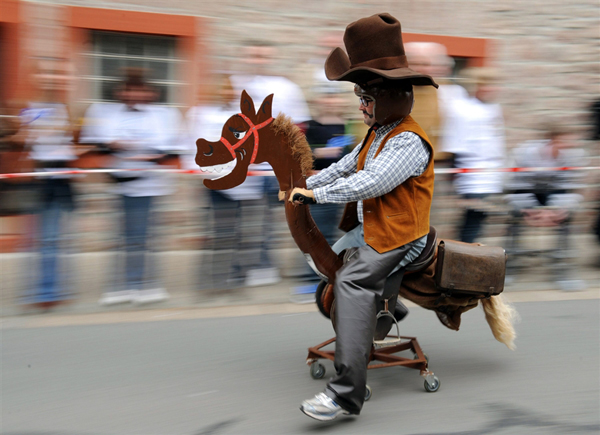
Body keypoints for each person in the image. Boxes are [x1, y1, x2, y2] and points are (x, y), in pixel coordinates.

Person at [288, 13, 438, 420]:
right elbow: (345, 167)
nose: (361, 105)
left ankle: (344, 395)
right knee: (324, 265)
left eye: (367, 99)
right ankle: (388, 309)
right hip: (374, 231)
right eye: (361, 97)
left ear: (390, 98)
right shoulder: (376, 132)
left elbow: (370, 183)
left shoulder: (407, 140)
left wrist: (315, 194)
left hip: (402, 237)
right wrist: (304, 180)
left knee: (350, 280)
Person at [83, 68, 170, 305]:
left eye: (139, 90)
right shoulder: (108, 113)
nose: (134, 95)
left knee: (144, 237)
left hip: (148, 186)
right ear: (121, 91)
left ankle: (146, 285)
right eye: (129, 90)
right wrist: (115, 145)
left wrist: (140, 152)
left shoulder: (159, 115)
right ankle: (119, 287)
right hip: (120, 185)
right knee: (121, 237)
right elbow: (99, 144)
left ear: (149, 93)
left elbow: (164, 149)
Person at [20, 58, 77, 308]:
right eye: (45, 75)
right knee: (37, 239)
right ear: (36, 78)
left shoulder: (64, 108)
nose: (51, 80)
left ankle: (50, 291)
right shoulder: (29, 108)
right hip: (38, 177)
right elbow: (28, 139)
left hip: (59, 178)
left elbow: (66, 142)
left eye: (54, 75)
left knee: (54, 237)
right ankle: (40, 292)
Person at [504, 124, 587, 291]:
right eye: (564, 142)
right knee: (513, 219)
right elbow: (511, 184)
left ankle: (563, 272)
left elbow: (573, 186)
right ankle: (508, 270)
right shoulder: (525, 153)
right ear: (552, 140)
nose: (569, 147)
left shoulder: (574, 155)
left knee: (567, 219)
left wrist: (558, 210)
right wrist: (528, 209)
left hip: (555, 194)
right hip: (525, 192)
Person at [440, 67, 506, 243]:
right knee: (472, 217)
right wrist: (456, 173)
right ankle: (464, 254)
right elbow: (456, 140)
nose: (492, 89)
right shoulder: (462, 108)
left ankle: (467, 252)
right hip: (470, 171)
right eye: (487, 85)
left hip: (488, 171)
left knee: (478, 216)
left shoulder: (492, 108)